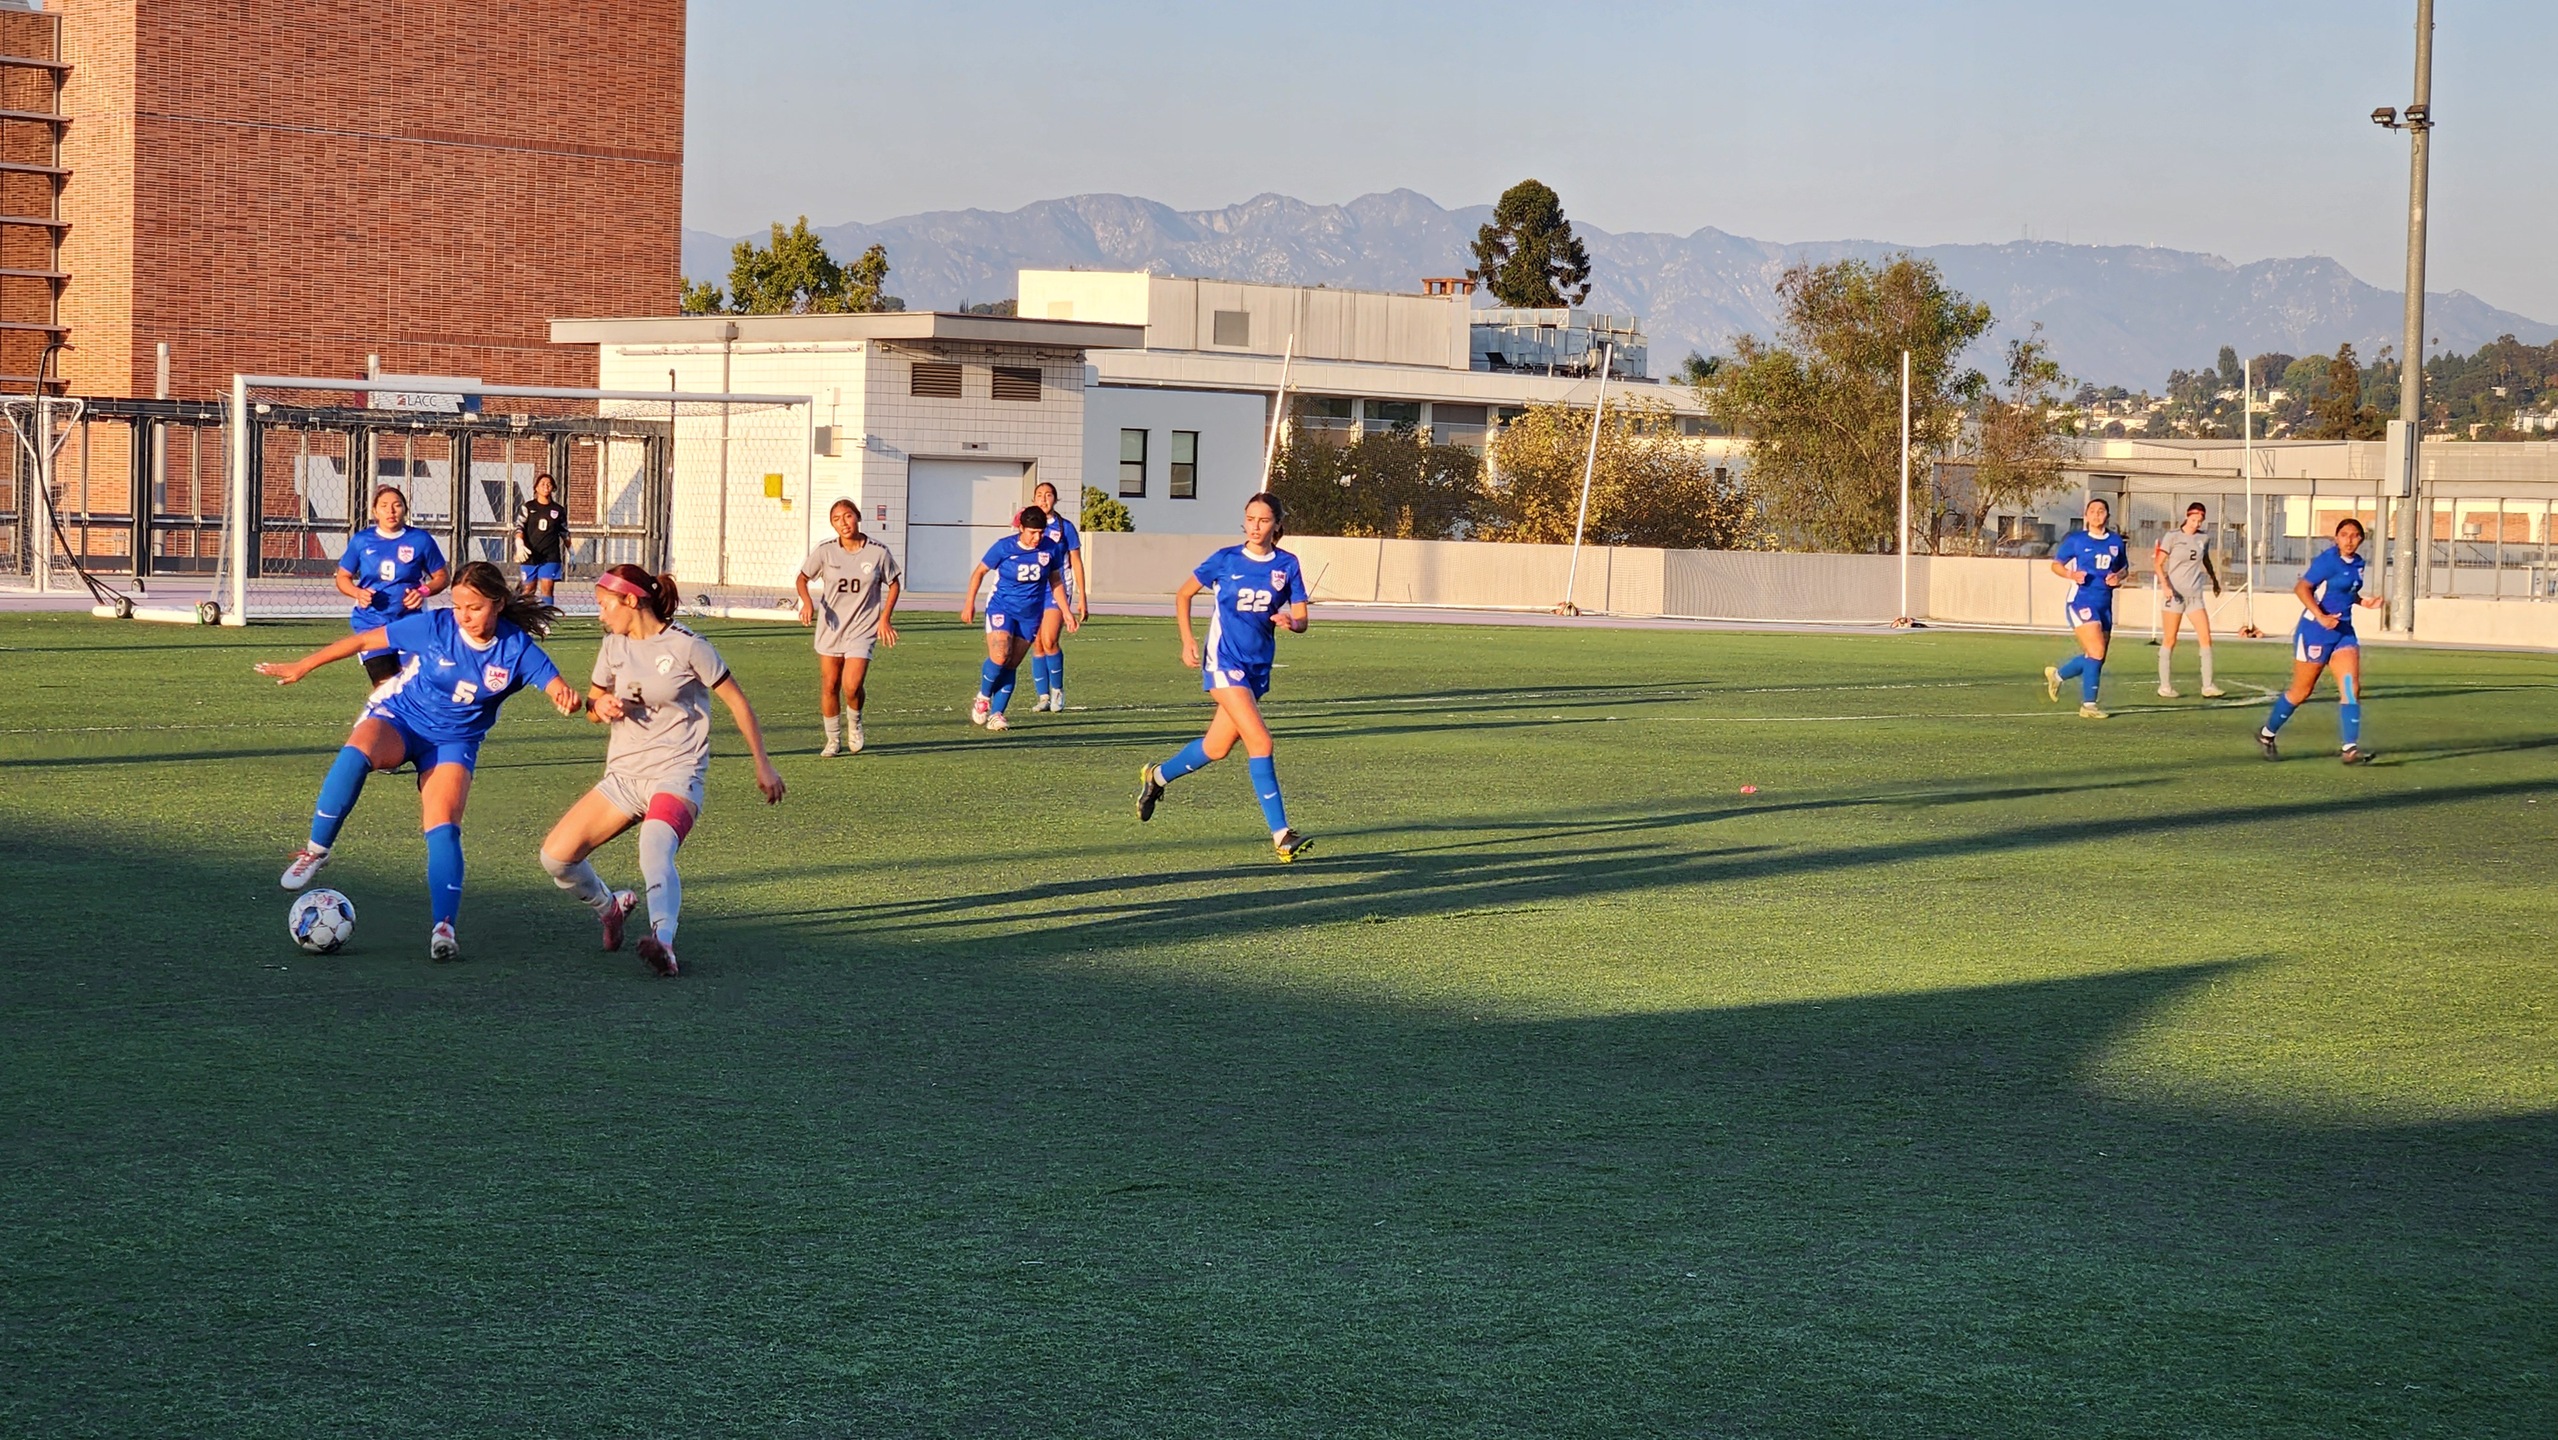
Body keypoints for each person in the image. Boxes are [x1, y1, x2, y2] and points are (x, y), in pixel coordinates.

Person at [259, 560, 583, 962]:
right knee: (357, 751)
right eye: (460, 606)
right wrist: (302, 666)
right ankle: (316, 850)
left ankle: (443, 927)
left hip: (453, 742)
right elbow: (365, 642)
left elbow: (556, 686)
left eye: (475, 607)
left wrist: (565, 698)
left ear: (498, 604)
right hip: (401, 718)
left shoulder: (515, 648)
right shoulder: (437, 627)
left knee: (443, 826)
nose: (464, 615)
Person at [539, 565, 785, 977]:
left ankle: (663, 942)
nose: (600, 614)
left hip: (677, 771)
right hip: (623, 778)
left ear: (631, 601)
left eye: (604, 605)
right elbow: (594, 706)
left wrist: (762, 763)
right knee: (556, 859)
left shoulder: (690, 646)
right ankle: (609, 906)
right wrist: (600, 708)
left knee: (653, 845)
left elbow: (738, 704)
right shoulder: (613, 645)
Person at [1134, 492, 1311, 862]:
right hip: (1223, 661)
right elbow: (1183, 595)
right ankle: (1282, 835)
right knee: (1261, 742)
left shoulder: (1288, 565)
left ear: (1277, 524)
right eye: (1250, 519)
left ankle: (1157, 778)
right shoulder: (1226, 559)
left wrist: (1291, 622)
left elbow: (1302, 619)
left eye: (1263, 520)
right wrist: (1187, 640)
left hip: (1257, 666)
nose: (1255, 527)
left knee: (1216, 749)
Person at [2257, 517, 2385, 765]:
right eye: (2344, 534)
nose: (2349, 539)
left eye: (2355, 535)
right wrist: (2321, 616)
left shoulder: (2358, 562)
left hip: (2343, 633)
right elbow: (2302, 588)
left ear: (2361, 539)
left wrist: (2363, 601)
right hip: (2315, 632)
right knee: (2301, 691)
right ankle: (2267, 734)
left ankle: (2350, 749)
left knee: (2351, 688)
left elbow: (2345, 590)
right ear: (2336, 538)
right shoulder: (2327, 561)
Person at [794, 499, 902, 756]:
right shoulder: (825, 551)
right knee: (830, 683)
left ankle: (855, 724)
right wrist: (807, 602)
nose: (843, 523)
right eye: (837, 519)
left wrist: (885, 619)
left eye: (848, 516)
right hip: (831, 627)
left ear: (858, 517)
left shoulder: (877, 551)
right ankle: (833, 739)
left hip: (863, 627)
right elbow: (802, 578)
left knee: (852, 685)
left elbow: (895, 583)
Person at [958, 505, 1074, 733]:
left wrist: (1067, 612)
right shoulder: (1004, 547)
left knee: (1012, 663)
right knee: (1000, 655)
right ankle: (983, 696)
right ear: (1021, 528)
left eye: (1041, 532)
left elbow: (1056, 581)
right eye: (1032, 532)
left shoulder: (1050, 549)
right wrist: (969, 603)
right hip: (1002, 608)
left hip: (1030, 615)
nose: (1037, 537)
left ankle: (997, 714)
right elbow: (979, 572)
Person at [334, 486, 448, 685]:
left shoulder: (420, 540)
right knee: (386, 686)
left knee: (414, 686)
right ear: (375, 511)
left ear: (405, 509)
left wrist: (423, 591)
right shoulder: (362, 541)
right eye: (384, 506)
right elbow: (343, 577)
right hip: (371, 622)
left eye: (397, 505)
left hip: (410, 622)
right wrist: (357, 593)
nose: (391, 511)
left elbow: (441, 577)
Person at [2042, 497, 2127, 719]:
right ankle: (2088, 706)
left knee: (2096, 656)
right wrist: (2071, 574)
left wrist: (2118, 577)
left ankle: (2058, 676)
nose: (2097, 514)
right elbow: (2056, 565)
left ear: (2107, 515)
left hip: (2104, 604)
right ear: (2086, 515)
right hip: (2080, 602)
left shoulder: (2116, 542)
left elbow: (2124, 568)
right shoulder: (2077, 540)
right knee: (2096, 651)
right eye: (2093, 511)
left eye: (2101, 511)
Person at [1026, 479, 1089, 712]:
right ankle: (1042, 696)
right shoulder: (1027, 525)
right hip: (1033, 589)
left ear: (1055, 499)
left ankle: (1057, 692)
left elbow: (1076, 561)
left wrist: (1082, 597)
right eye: (1040, 494)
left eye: (1049, 494)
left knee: (1050, 638)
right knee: (1038, 643)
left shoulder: (1065, 527)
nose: (1044, 498)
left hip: (1058, 588)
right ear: (1033, 499)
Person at [2153, 502, 2225, 699]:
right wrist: (2165, 586)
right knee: (2170, 639)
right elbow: (2158, 564)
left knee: (2206, 638)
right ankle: (2165, 686)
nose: (2196, 523)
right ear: (2187, 516)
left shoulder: (2203, 538)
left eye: (2200, 520)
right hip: (2174, 596)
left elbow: (2206, 560)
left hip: (2195, 596)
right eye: (2194, 519)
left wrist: (2215, 580)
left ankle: (2208, 686)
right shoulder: (2173, 536)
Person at [516, 471, 569, 602]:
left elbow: (564, 531)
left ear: (553, 488)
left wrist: (571, 551)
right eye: (542, 484)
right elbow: (519, 527)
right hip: (531, 554)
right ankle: (526, 618)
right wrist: (519, 543)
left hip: (550, 555)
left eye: (549, 484)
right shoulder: (528, 507)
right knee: (528, 589)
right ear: (536, 487)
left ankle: (546, 619)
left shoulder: (558, 509)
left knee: (548, 586)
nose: (546, 486)